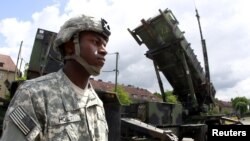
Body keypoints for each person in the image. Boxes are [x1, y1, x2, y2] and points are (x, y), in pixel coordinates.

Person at [0, 14, 111, 141]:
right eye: (96, 42)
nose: (104, 50)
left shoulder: (97, 103)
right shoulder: (34, 95)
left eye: (104, 44)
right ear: (70, 47)